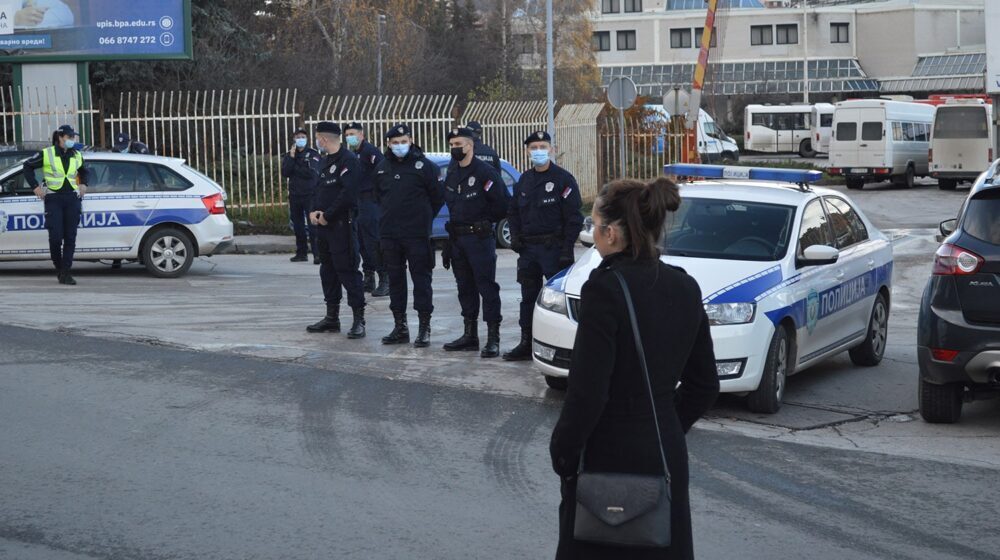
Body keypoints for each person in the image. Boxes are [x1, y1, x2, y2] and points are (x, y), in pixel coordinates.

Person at [549, 177, 719, 560]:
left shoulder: (603, 289)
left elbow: (588, 392)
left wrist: (563, 452)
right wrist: (664, 422)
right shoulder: (685, 287)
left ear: (610, 233)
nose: (593, 234)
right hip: (664, 450)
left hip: (608, 456)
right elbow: (705, 385)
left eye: (594, 226)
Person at [503, 131, 583, 361]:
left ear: (552, 150)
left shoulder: (563, 179)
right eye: (533, 148)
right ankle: (526, 343)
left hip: (554, 250)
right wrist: (515, 237)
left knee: (558, 302)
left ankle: (563, 345)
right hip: (529, 251)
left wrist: (567, 248)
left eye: (543, 147)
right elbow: (513, 212)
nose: (538, 151)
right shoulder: (524, 180)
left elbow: (574, 218)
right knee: (528, 298)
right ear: (527, 151)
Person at [441, 127, 510, 358]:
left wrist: (484, 222)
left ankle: (493, 338)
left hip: (479, 238)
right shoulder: (452, 172)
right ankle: (470, 336)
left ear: (470, 145)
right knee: (465, 288)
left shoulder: (485, 172)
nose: (455, 149)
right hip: (458, 239)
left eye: (458, 144)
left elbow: (502, 204)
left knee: (486, 288)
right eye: (452, 145)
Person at [373, 123, 443, 348]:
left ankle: (424, 328)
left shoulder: (425, 166)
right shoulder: (382, 167)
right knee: (395, 280)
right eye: (395, 142)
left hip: (417, 234)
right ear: (388, 144)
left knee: (421, 280)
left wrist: (422, 218)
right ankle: (400, 327)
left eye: (403, 141)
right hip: (390, 234)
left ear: (411, 141)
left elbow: (437, 198)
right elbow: (378, 197)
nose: (399, 145)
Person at [305, 121, 366, 339]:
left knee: (347, 271)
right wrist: (313, 212)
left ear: (323, 139)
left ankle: (359, 319)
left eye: (317, 138)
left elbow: (348, 195)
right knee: (328, 271)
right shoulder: (324, 161)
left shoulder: (348, 161)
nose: (317, 142)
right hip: (323, 229)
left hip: (341, 227)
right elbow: (317, 191)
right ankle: (332, 318)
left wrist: (327, 215)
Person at [22, 124, 90, 285]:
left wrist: (84, 184)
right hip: (54, 199)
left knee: (70, 237)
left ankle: (66, 272)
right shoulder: (47, 153)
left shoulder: (76, 154)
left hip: (72, 199)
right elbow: (27, 166)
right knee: (55, 238)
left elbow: (85, 171)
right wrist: (35, 187)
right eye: (69, 137)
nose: (72, 140)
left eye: (73, 137)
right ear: (60, 137)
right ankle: (59, 268)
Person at [344, 121, 389, 297]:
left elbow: (383, 172)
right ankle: (369, 277)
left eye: (352, 134)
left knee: (373, 241)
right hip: (358, 202)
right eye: (347, 135)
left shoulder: (370, 151)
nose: (350, 137)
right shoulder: (353, 154)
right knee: (362, 241)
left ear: (361, 135)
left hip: (370, 201)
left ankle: (385, 278)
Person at [281, 127, 322, 263]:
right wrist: (292, 159)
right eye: (298, 137)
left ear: (307, 139)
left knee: (313, 225)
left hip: (310, 195)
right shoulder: (290, 155)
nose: (300, 139)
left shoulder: (313, 154)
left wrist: (295, 168)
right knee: (298, 225)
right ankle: (301, 253)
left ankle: (317, 254)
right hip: (295, 195)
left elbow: (311, 173)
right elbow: (285, 172)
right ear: (294, 139)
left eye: (303, 137)